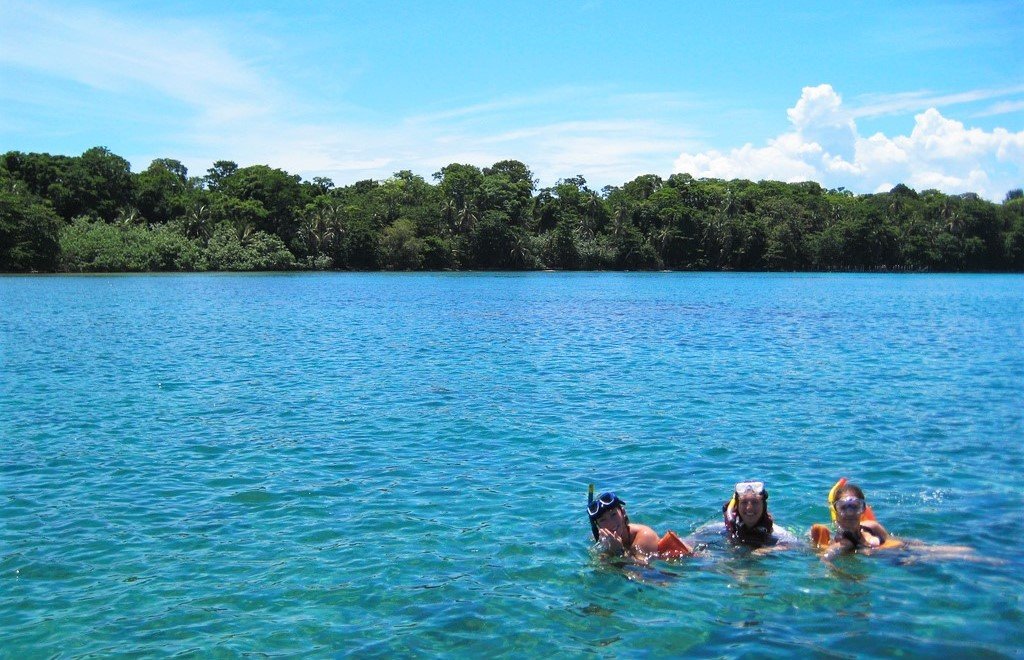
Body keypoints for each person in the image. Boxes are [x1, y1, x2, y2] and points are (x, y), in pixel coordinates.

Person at [587, 490, 691, 560]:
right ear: (598, 526)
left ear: (623, 513)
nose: (611, 523)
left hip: (695, 555)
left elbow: (643, 574)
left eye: (614, 514)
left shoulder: (645, 536)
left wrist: (618, 551)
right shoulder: (600, 539)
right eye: (603, 520)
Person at [722, 481, 792, 552]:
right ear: (737, 506)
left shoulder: (776, 533)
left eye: (755, 502)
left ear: (763, 506)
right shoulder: (726, 529)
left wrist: (768, 550)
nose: (749, 508)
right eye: (744, 502)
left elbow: (798, 545)